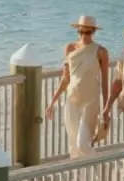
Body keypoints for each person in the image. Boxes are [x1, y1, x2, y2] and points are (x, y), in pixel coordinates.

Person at [47, 15, 111, 157]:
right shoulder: (70, 48)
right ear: (77, 30)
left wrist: (106, 109)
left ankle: (101, 170)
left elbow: (105, 83)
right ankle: (82, 178)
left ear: (93, 32)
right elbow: (65, 79)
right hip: (72, 100)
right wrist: (52, 102)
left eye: (88, 32)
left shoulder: (101, 51)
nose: (84, 35)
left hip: (91, 101)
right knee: (74, 146)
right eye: (81, 32)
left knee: (83, 144)